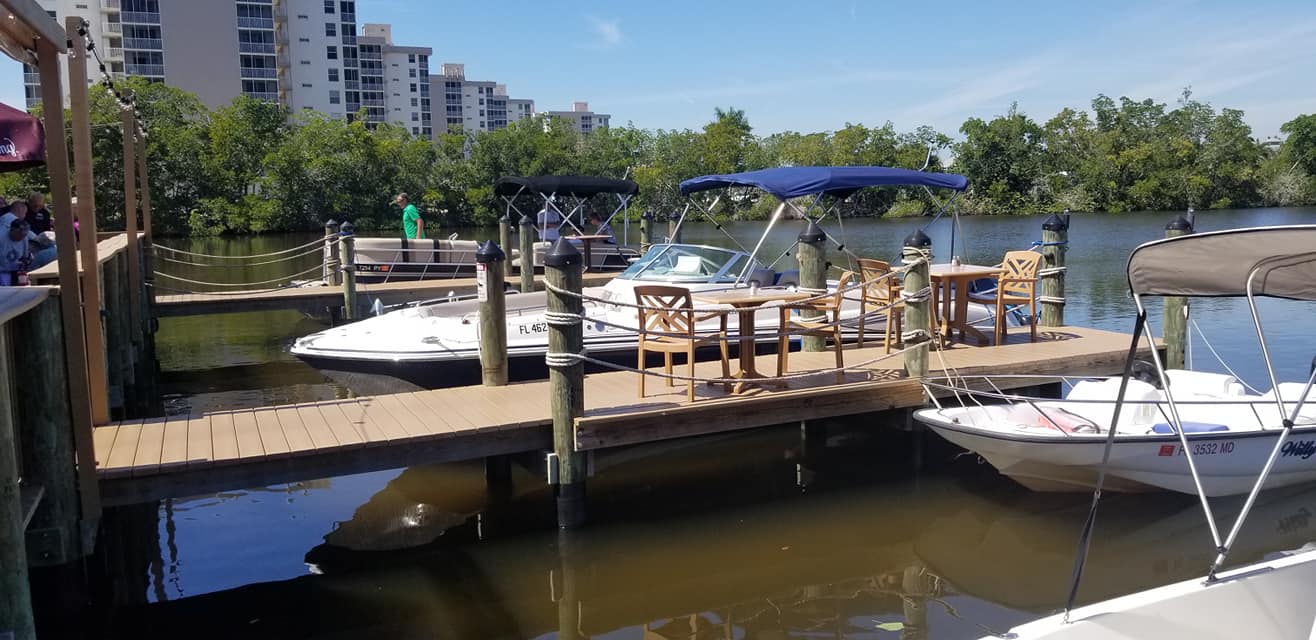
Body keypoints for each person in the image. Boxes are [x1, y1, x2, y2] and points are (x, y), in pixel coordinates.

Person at [0, 202, 55, 269]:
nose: (25, 216)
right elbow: (35, 237)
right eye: (25, 213)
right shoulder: (12, 222)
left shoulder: (3, 218)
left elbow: (25, 257)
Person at [0, 217, 34, 285]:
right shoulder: (1, 237)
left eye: (24, 235)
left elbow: (25, 257)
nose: (21, 237)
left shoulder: (24, 238)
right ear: (11, 230)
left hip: (16, 270)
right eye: (19, 235)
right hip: (2, 271)